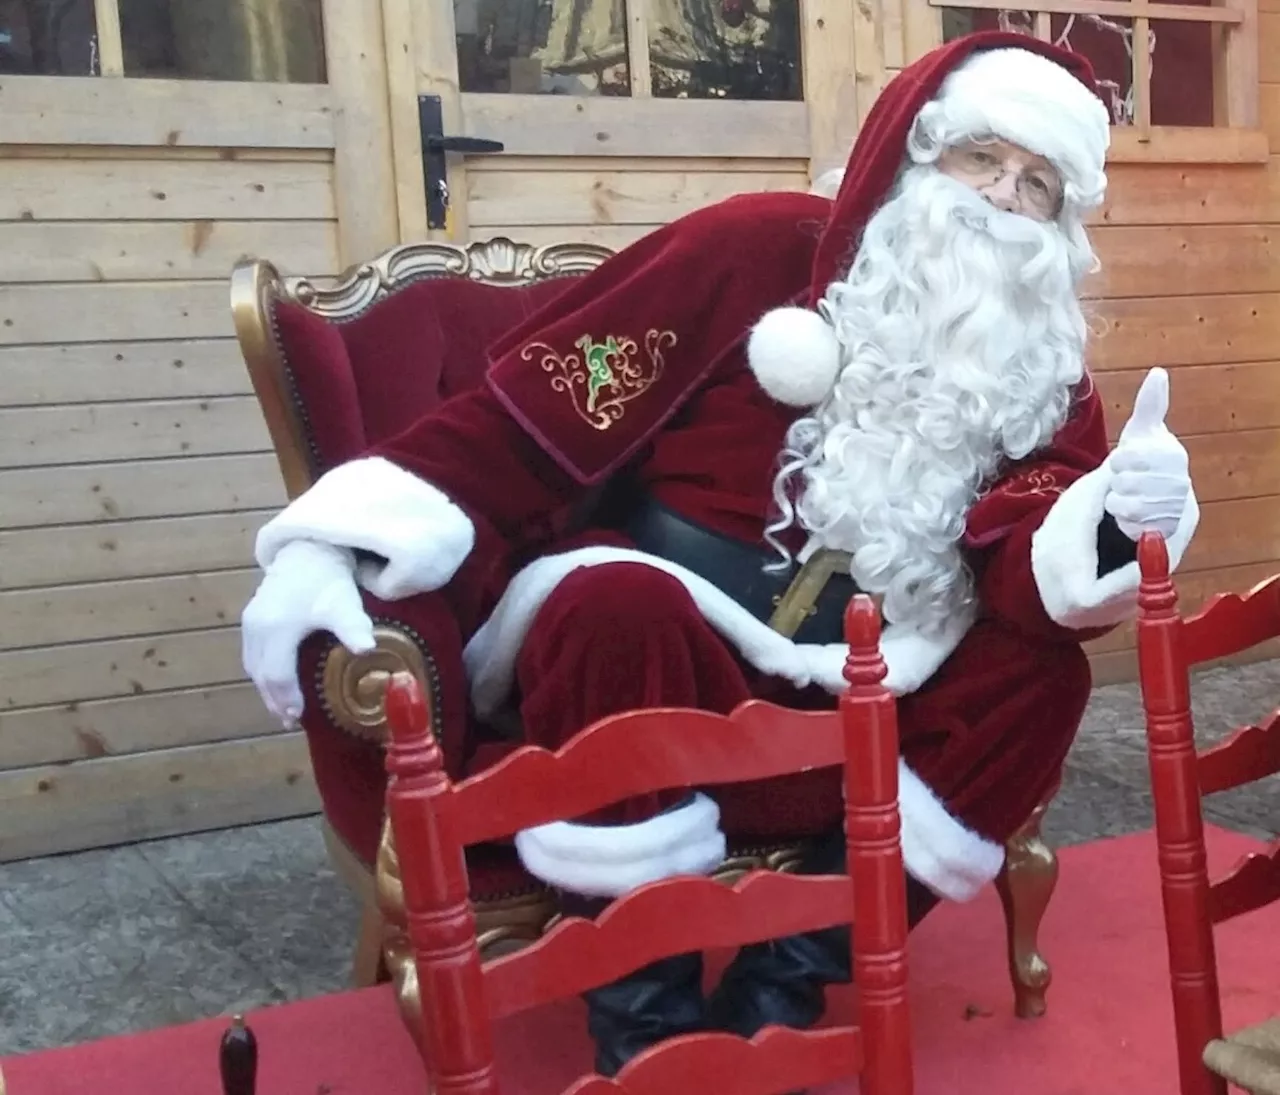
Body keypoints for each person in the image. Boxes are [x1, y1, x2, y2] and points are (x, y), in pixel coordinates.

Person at [241, 30, 1199, 1076]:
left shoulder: (1036, 355)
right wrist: (337, 540)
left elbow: (1029, 552)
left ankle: (783, 976)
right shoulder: (751, 248)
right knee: (607, 607)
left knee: (1041, 676)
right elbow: (536, 415)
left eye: (1037, 185)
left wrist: (1114, 515)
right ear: (918, 153)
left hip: (876, 673)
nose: (1001, 200)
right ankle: (640, 1012)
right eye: (982, 160)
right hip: (679, 625)